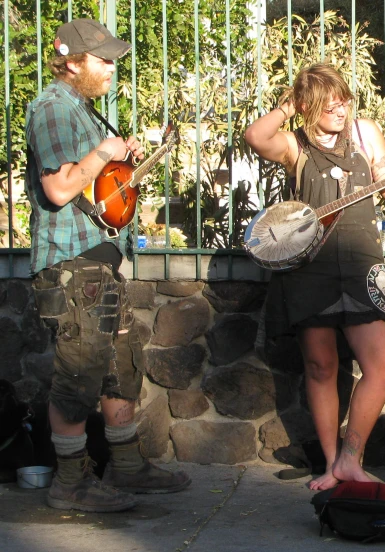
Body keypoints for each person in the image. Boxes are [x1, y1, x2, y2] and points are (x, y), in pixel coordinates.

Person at [243, 62, 385, 490]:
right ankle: (333, 465)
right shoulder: (294, 145)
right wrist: (289, 105)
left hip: (361, 262)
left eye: (344, 99)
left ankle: (352, 457)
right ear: (309, 106)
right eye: (330, 103)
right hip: (309, 268)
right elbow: (255, 137)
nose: (341, 108)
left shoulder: (366, 133)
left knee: (382, 364)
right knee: (320, 366)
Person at [25, 18, 191, 513]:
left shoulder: (86, 112)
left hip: (99, 256)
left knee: (120, 364)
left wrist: (126, 160)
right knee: (79, 371)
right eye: (102, 59)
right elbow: (58, 189)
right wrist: (104, 152)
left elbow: (100, 190)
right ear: (71, 61)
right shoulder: (53, 109)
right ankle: (71, 482)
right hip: (72, 262)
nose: (111, 68)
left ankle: (128, 466)